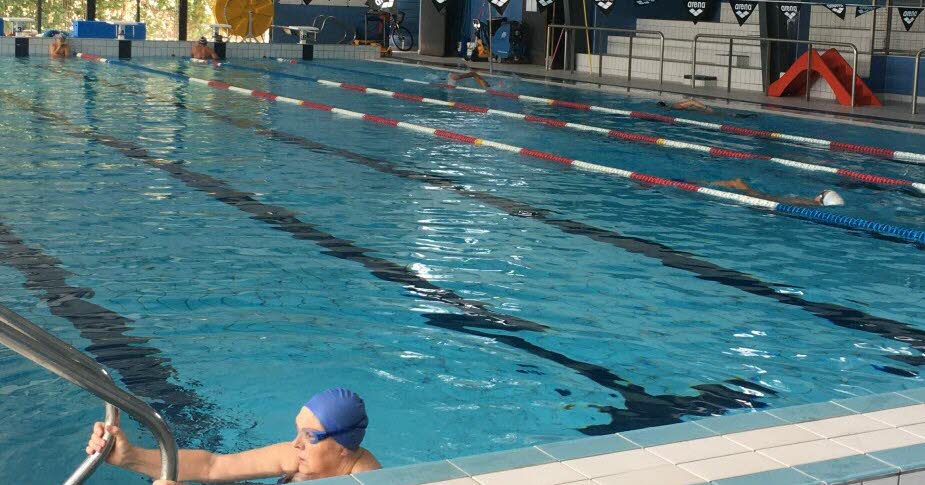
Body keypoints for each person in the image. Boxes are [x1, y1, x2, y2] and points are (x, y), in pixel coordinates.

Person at [86, 388, 380, 484]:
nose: (296, 443)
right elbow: (214, 466)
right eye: (298, 431)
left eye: (310, 436)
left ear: (344, 446)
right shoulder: (306, 457)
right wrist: (131, 457)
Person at [708, 178, 845, 206]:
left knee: (736, 182)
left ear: (821, 199)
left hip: (763, 199)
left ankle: (698, 183)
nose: (818, 193)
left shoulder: (806, 202)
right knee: (735, 183)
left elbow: (778, 200)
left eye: (821, 193)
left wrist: (759, 196)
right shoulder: (808, 204)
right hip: (766, 199)